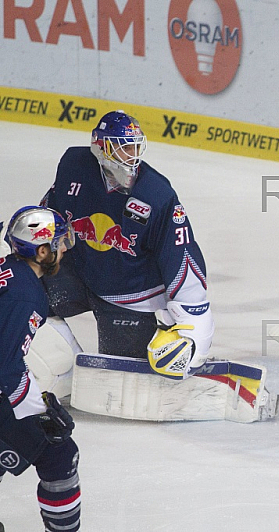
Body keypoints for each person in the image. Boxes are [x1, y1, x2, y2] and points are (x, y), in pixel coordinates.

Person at [40, 110, 214, 379]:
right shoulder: (74, 165)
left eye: (134, 146)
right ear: (100, 146)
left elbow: (181, 255)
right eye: (123, 147)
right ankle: (58, 370)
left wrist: (194, 326)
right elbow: (51, 213)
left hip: (129, 295)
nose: (131, 154)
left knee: (121, 378)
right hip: (78, 273)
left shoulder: (156, 195)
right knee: (24, 296)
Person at [0, 206, 81, 531]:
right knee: (58, 452)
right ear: (42, 250)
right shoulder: (26, 294)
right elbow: (5, 366)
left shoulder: (7, 269)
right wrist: (39, 411)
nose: (64, 248)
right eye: (59, 242)